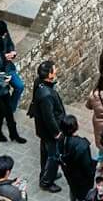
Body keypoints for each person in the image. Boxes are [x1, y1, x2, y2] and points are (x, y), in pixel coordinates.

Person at [28, 60, 68, 192]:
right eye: (54, 70)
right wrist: (57, 133)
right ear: (49, 75)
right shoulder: (46, 95)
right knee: (53, 156)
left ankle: (47, 173)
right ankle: (46, 181)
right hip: (49, 132)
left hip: (43, 130)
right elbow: (49, 117)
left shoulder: (39, 83)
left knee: (46, 153)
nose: (56, 71)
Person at [56, 116, 100, 201]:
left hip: (70, 174)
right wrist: (93, 168)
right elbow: (87, 167)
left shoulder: (61, 139)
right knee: (84, 195)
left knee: (73, 190)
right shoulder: (82, 145)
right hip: (82, 179)